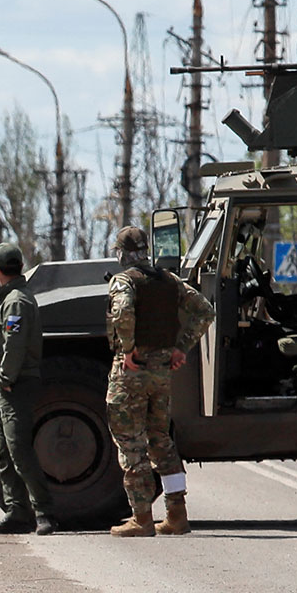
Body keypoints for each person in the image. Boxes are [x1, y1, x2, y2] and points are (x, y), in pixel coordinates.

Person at [105, 224, 215, 536]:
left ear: (122, 254)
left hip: (132, 372)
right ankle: (176, 514)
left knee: (131, 443)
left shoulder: (124, 281)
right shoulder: (170, 280)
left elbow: (123, 312)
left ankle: (141, 518)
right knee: (161, 442)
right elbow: (205, 311)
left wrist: (128, 349)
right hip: (161, 374)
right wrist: (181, 347)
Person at [0, 242, 57, 535]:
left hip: (15, 385)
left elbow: (14, 345)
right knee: (4, 453)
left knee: (19, 451)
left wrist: (4, 377)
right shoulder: (12, 299)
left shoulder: (16, 302)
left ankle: (44, 512)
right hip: (5, 386)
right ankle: (17, 512)